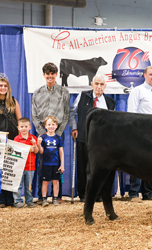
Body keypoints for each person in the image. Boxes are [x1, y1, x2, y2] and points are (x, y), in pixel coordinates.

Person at [69, 74, 116, 202]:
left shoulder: (110, 102)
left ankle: (99, 194)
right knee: (83, 166)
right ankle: (84, 195)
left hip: (102, 142)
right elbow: (72, 112)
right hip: (84, 137)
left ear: (105, 86)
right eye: (97, 84)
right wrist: (74, 128)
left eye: (102, 84)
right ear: (92, 84)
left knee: (100, 167)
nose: (99, 87)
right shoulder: (83, 96)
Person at [126, 66, 152, 202]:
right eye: (150, 74)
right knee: (137, 162)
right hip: (141, 131)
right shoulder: (137, 91)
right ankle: (134, 193)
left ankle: (148, 192)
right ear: (145, 75)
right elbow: (132, 112)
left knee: (151, 162)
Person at [32, 62, 70, 204]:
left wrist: (58, 132)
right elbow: (34, 114)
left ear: (56, 74)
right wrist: (42, 133)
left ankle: (57, 196)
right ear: (44, 75)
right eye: (47, 74)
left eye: (52, 74)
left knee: (58, 163)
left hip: (58, 132)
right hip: (42, 132)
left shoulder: (63, 92)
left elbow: (66, 114)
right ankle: (42, 197)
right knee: (43, 163)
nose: (50, 76)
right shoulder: (37, 93)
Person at [0, 74, 21, 207]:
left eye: (5, 85)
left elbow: (19, 121)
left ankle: (10, 199)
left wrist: (19, 139)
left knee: (10, 168)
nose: (3, 87)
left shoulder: (13, 102)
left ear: (8, 88)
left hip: (12, 139)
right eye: (0, 85)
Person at [37, 116, 65, 207]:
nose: (51, 126)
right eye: (49, 124)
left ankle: (55, 198)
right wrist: (38, 143)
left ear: (56, 126)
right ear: (45, 126)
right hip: (46, 164)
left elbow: (61, 152)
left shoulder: (58, 138)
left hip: (56, 164)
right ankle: (44, 199)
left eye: (53, 124)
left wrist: (62, 165)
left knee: (56, 182)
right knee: (45, 182)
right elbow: (41, 151)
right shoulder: (43, 137)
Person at [13, 117, 39, 208]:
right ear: (18, 128)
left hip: (30, 167)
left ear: (30, 127)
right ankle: (17, 201)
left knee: (29, 187)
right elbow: (16, 151)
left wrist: (34, 144)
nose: (24, 128)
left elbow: (36, 151)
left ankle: (29, 201)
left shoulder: (33, 138)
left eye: (26, 126)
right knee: (18, 185)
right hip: (19, 167)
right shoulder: (16, 139)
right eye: (22, 126)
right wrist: (28, 149)